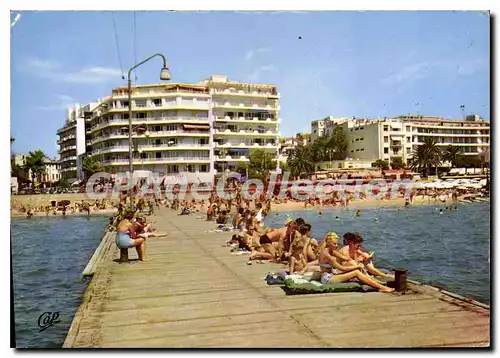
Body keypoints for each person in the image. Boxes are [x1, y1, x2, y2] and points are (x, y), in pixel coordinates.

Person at [318, 232, 394, 292]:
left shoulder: (332, 251)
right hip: (327, 279)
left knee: (356, 268)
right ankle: (381, 287)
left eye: (337, 243)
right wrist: (357, 266)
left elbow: (346, 258)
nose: (336, 245)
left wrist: (361, 258)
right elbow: (341, 268)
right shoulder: (327, 254)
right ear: (328, 243)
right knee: (356, 272)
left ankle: (375, 282)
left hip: (331, 275)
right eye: (334, 243)